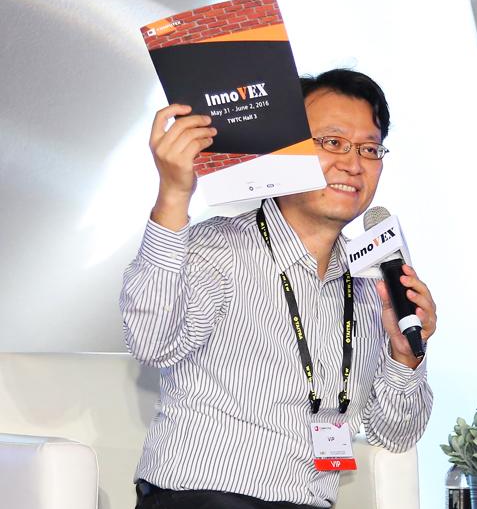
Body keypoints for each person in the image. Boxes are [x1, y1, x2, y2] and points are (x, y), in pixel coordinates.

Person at [120, 69, 436, 509]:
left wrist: (405, 357)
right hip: (204, 496)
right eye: (332, 142)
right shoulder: (219, 247)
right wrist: (173, 194)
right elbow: (152, 342)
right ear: (284, 152)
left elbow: (396, 435)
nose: (353, 164)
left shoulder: (371, 286)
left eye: (369, 148)